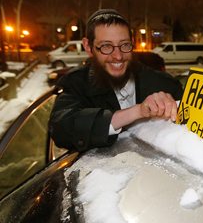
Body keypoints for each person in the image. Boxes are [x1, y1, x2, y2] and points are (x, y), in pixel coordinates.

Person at [49, 9, 183, 152]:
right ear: (88, 47)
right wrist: (137, 111)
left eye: (124, 45)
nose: (118, 56)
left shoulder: (165, 84)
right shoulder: (76, 84)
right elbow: (61, 129)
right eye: (106, 46)